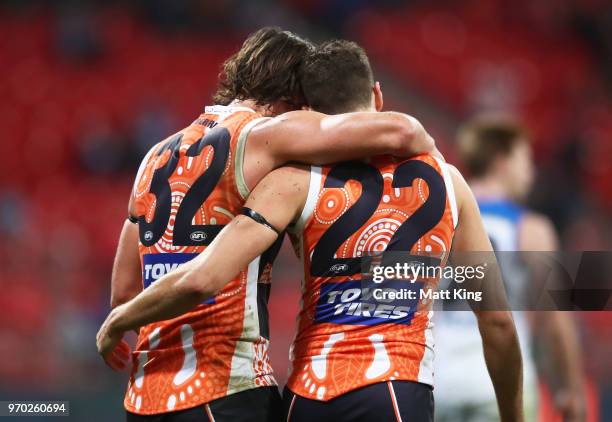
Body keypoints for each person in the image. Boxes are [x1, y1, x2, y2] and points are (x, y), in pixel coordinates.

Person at [98, 40, 524, 422]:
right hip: (265, 387)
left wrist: (121, 320)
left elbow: (124, 291)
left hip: (284, 397)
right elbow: (496, 318)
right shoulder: (446, 181)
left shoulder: (277, 180)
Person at [433, 116, 586, 422]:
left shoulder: (437, 217)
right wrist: (572, 390)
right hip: (498, 389)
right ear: (501, 161)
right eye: (525, 158)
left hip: (437, 385)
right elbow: (556, 320)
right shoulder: (532, 228)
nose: (531, 171)